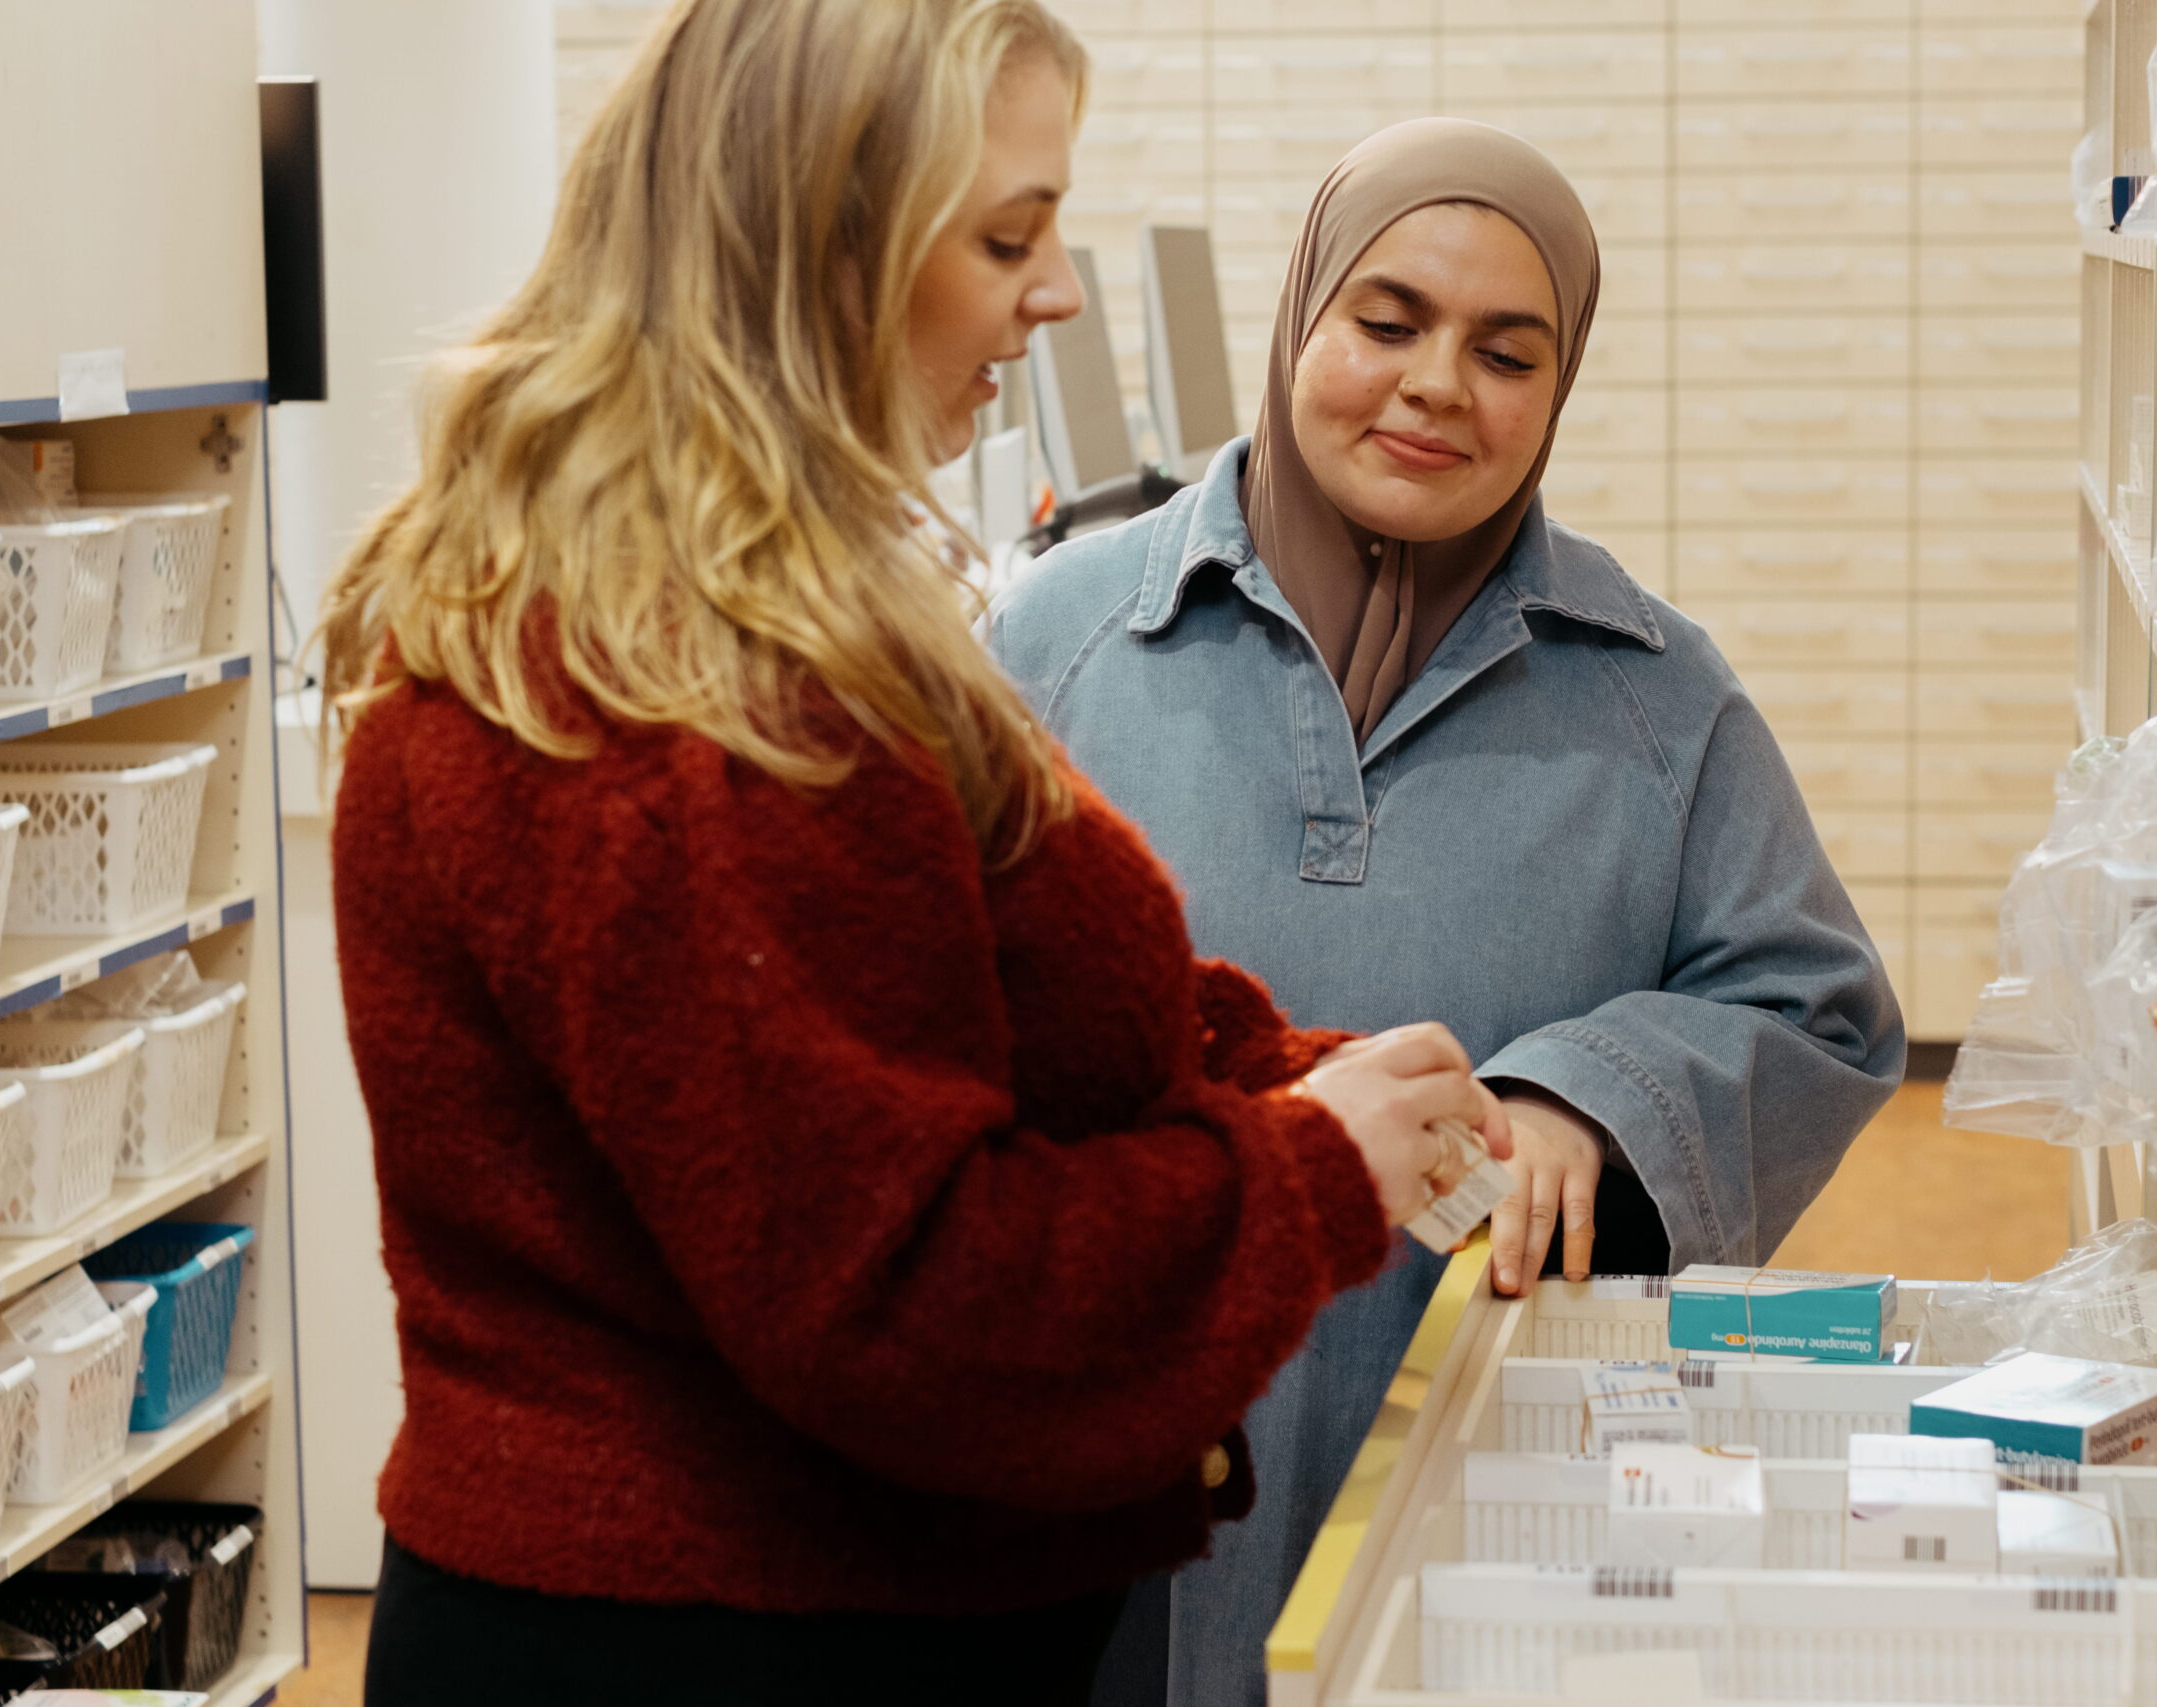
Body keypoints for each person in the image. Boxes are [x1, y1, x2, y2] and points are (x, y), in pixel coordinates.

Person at [314, 8, 1515, 1704]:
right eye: (1008, 237)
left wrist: (1276, 1074)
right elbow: (911, 1297)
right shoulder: (694, 708)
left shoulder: (723, 621)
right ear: (822, 250)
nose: (1059, 293)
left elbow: (928, 996)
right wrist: (1310, 1170)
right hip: (717, 1647)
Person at [988, 119, 1906, 1707]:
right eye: (1388, 322)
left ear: (1558, 394)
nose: (1435, 387)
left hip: (1476, 1459)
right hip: (1102, 1458)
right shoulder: (1063, 638)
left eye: (1507, 351)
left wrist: (1593, 1098)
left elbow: (1817, 1009)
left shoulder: (1653, 694)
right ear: (1302, 321)